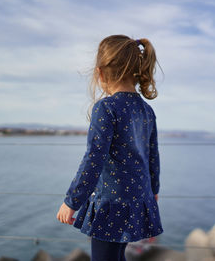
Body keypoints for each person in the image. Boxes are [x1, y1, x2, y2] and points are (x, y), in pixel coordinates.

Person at [56, 34, 163, 261]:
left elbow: (93, 159)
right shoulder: (146, 111)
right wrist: (153, 191)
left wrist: (71, 201)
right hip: (137, 200)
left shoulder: (107, 108)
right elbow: (153, 156)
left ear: (100, 73)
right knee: (116, 256)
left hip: (111, 204)